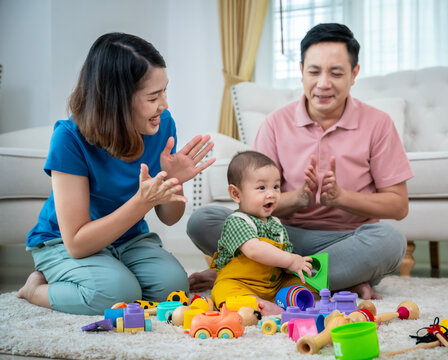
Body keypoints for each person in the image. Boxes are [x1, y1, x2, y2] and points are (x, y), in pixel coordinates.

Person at [187, 23, 413, 300]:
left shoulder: (378, 123)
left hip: (346, 239)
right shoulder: (275, 123)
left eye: (336, 73)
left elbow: (398, 205)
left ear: (354, 74)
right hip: (280, 236)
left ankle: (256, 275)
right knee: (203, 219)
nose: (323, 84)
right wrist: (299, 199)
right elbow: (250, 202)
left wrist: (340, 197)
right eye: (314, 71)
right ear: (301, 70)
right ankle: (333, 280)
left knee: (390, 241)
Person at [16, 32, 215, 315]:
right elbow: (76, 243)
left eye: (165, 91)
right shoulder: (69, 138)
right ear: (117, 100)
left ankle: (111, 270)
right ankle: (34, 288)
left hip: (128, 239)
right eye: (154, 96)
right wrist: (143, 201)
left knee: (172, 288)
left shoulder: (161, 125)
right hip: (63, 241)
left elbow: (169, 218)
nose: (165, 104)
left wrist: (174, 181)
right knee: (117, 294)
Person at [209, 151, 315, 316]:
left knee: (303, 282)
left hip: (273, 285)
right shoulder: (237, 221)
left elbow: (282, 261)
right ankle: (257, 304)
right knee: (224, 292)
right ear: (236, 194)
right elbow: (254, 250)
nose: (271, 193)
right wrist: (290, 260)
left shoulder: (277, 225)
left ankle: (298, 299)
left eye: (276, 187)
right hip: (240, 282)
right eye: (261, 188)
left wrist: (294, 267)